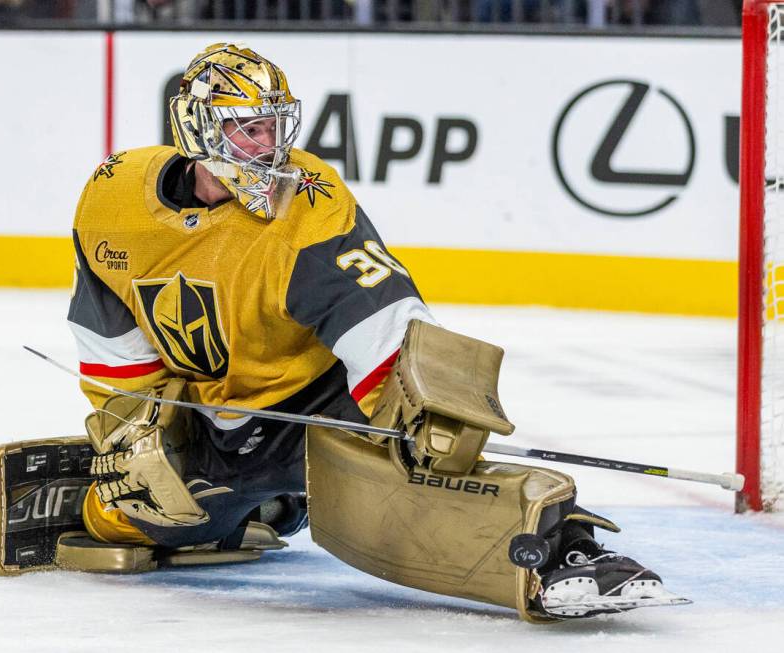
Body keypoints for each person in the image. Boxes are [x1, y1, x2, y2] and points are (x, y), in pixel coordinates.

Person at [65, 43, 678, 621]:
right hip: (217, 422)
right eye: (249, 128)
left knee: (416, 473)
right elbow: (112, 343)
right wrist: (132, 435)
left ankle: (565, 548)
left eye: (276, 127)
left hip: (320, 405)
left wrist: (431, 418)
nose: (269, 146)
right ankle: (274, 504)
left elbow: (384, 326)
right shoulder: (112, 200)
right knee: (121, 519)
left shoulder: (304, 202)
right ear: (199, 128)